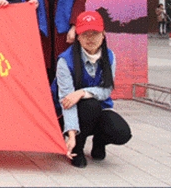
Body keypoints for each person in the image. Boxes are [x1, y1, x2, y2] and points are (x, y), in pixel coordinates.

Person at [51, 11, 132, 168]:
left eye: (95, 33)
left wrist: (82, 92)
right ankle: (78, 148)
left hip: (97, 110)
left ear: (103, 34)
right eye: (85, 34)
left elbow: (106, 91)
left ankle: (99, 141)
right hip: (66, 113)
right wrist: (71, 135)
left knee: (121, 132)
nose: (90, 38)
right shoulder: (65, 61)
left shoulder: (110, 56)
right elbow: (67, 102)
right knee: (90, 105)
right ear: (78, 37)